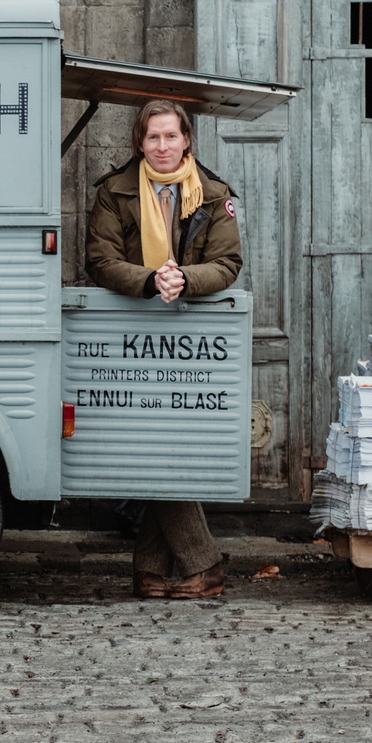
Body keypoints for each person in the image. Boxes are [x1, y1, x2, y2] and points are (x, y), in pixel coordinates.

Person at [85, 99, 243, 600]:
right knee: (147, 438)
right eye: (153, 138)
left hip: (192, 337)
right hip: (130, 335)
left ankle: (161, 568)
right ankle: (197, 564)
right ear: (139, 142)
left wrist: (185, 280)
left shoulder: (215, 195)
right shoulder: (113, 192)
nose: (162, 147)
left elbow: (228, 262)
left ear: (186, 140)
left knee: (170, 441)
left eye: (170, 137)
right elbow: (100, 259)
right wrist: (150, 281)